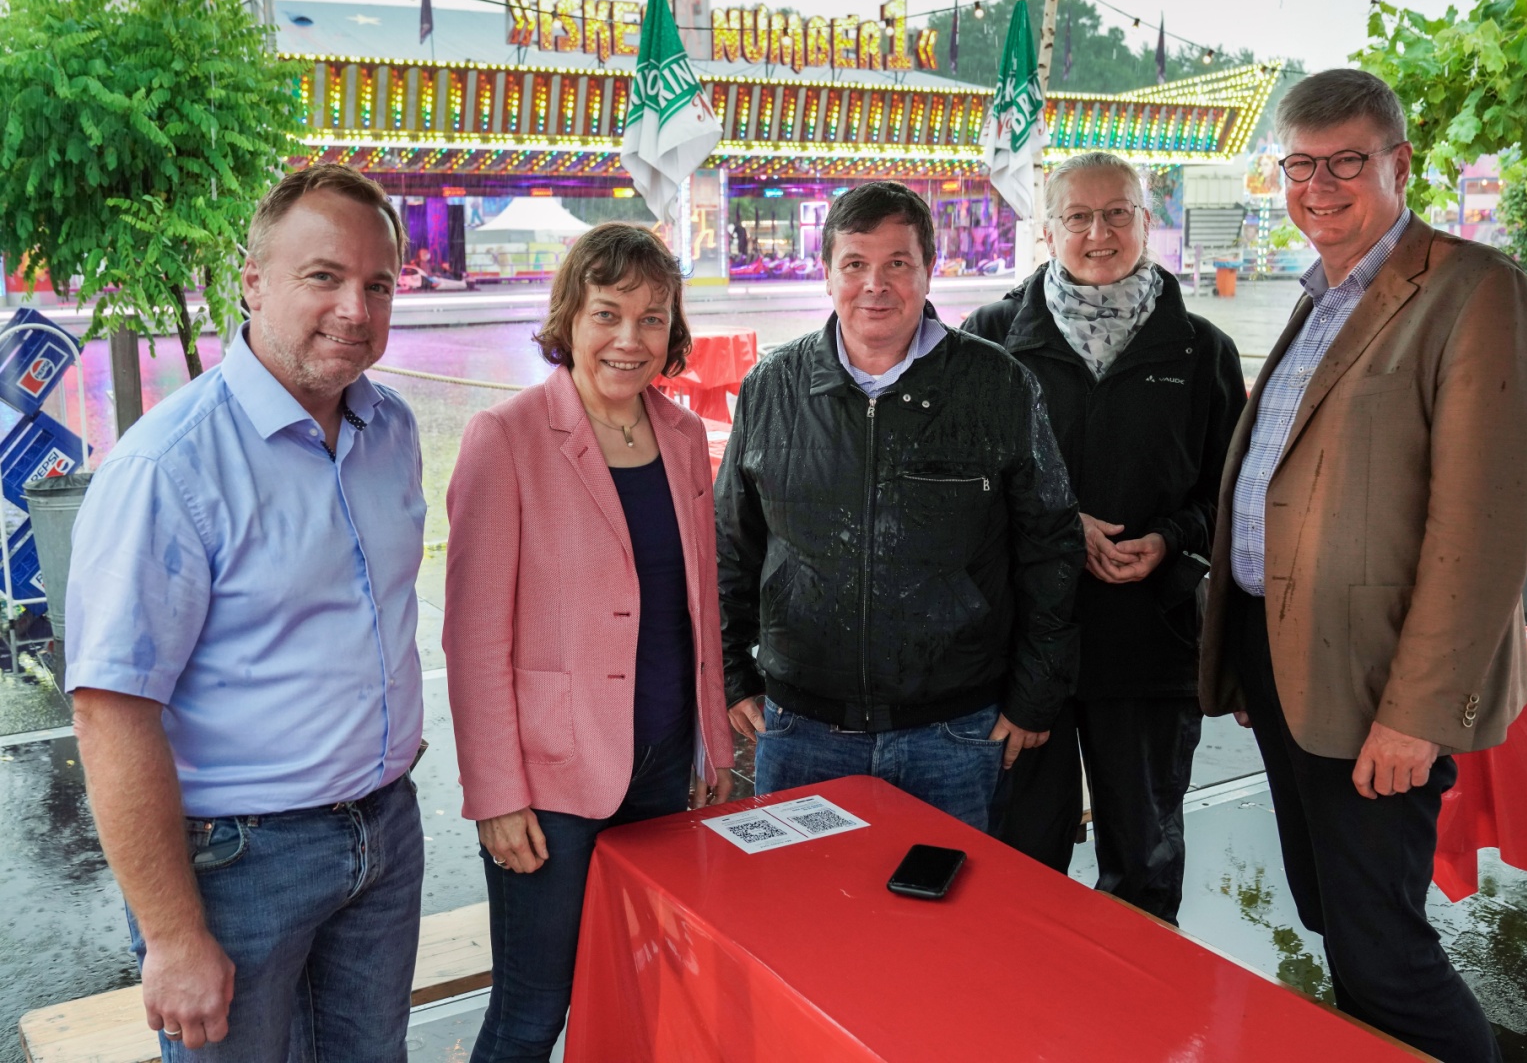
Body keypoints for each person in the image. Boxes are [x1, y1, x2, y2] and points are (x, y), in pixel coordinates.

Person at [1198, 69, 1527, 1062]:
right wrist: (1249, 653)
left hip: (1377, 690)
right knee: (1333, 919)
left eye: (1347, 161)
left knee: (1385, 948)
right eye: (1301, 164)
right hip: (1291, 668)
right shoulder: (1320, 296)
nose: (1320, 184)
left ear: (1400, 165)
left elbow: (1483, 529)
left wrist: (1416, 713)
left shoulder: (1475, 291)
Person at [67, 164, 425, 1058]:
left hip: (384, 833)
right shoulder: (168, 469)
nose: (355, 307)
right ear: (252, 281)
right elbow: (111, 712)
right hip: (237, 867)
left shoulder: (393, 432)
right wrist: (173, 936)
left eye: (377, 284)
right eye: (324, 277)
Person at [442, 222, 736, 1061]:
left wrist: (712, 743)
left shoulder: (681, 438)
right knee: (534, 1010)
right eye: (608, 314)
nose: (629, 339)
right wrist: (496, 794)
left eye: (652, 319)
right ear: (570, 318)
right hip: (552, 783)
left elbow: (698, 608)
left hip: (662, 761)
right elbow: (472, 641)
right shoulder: (506, 438)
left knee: (641, 987)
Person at [715, 180, 1083, 832]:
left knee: (943, 922)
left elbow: (1051, 550)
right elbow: (730, 548)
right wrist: (731, 676)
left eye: (897, 264)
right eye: (855, 264)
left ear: (929, 269)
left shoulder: (996, 386)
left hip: (953, 734)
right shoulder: (772, 388)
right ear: (827, 274)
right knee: (803, 923)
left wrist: (1034, 699)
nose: (874, 285)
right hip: (801, 731)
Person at [963, 152, 1245, 917]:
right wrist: (1059, 526)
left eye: (1118, 212)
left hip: (1149, 647)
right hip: (1023, 655)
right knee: (1021, 862)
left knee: (1145, 862)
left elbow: (1230, 498)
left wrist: (1167, 540)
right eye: (1079, 217)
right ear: (1048, 230)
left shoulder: (1202, 351)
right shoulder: (988, 341)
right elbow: (957, 495)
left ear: (1147, 222)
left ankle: (1139, 1025)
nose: (1099, 232)